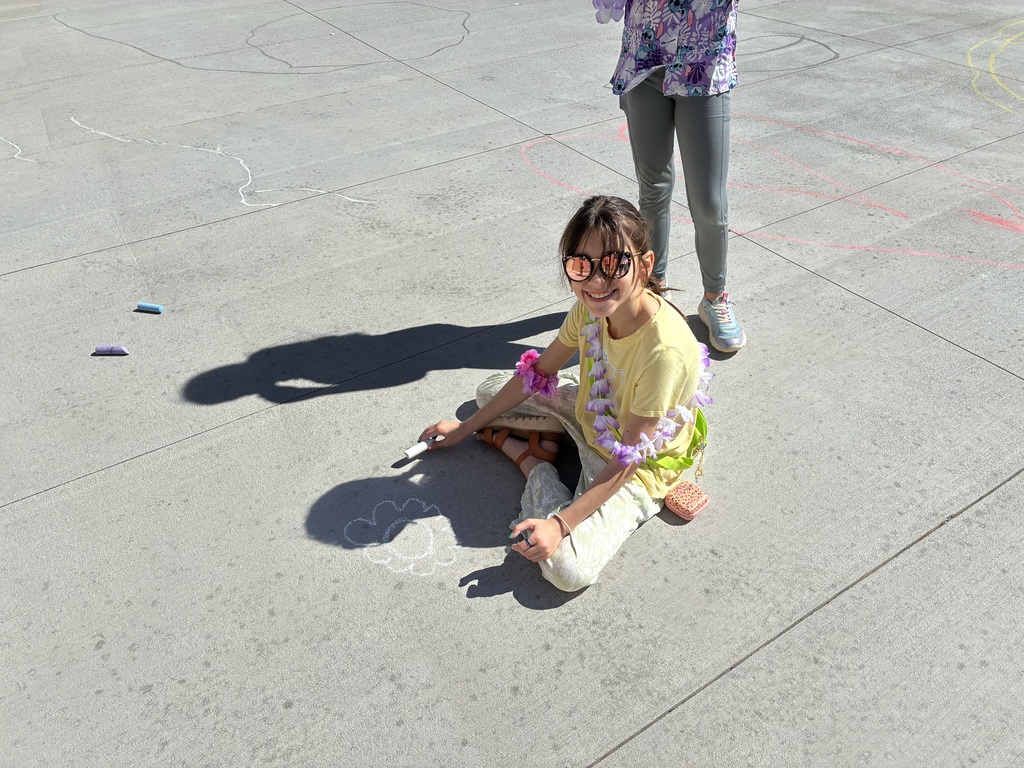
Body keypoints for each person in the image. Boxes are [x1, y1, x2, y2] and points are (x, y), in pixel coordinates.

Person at [418, 196, 712, 592]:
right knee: (487, 393)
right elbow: (538, 373)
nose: (595, 280)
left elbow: (628, 458)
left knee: (565, 569)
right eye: (581, 265)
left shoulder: (666, 352)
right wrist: (464, 429)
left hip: (637, 468)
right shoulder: (591, 308)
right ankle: (551, 441)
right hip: (591, 414)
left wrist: (559, 525)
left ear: (644, 265)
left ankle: (531, 460)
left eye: (613, 264)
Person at [608, 0, 746, 353]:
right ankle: (655, 291)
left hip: (704, 60)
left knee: (709, 202)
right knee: (652, 189)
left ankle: (714, 297)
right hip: (645, 55)